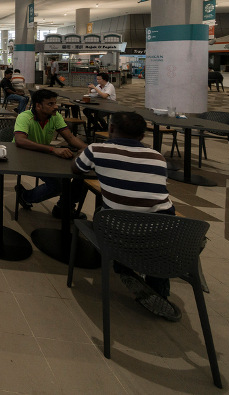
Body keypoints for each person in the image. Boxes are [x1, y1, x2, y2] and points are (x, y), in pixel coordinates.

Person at [72, 111, 180, 321]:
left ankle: (123, 267)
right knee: (155, 233)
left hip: (121, 232)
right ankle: (158, 292)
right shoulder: (158, 157)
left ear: (111, 129)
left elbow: (76, 169)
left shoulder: (97, 150)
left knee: (103, 215)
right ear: (142, 136)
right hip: (169, 230)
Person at [13, 88, 87, 212]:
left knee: (82, 174)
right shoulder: (25, 117)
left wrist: (86, 149)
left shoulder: (55, 117)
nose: (55, 107)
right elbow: (20, 140)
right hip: (23, 157)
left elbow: (70, 137)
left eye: (55, 103)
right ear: (38, 106)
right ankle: (25, 196)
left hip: (44, 156)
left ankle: (64, 206)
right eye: (50, 104)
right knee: (59, 185)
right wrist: (53, 150)